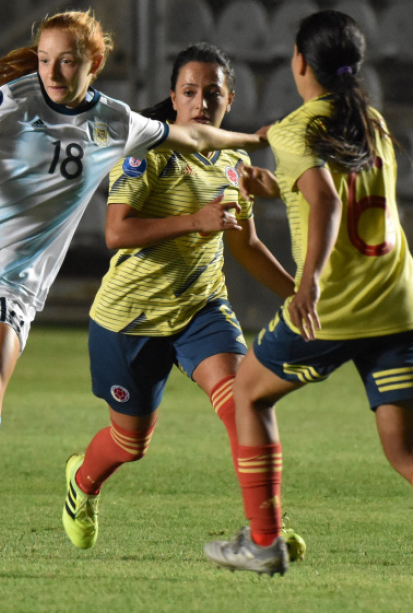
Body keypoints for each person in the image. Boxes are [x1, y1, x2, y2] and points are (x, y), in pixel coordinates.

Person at [0, 12, 267, 562]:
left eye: (66, 61)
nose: (53, 72)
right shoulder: (10, 100)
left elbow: (195, 134)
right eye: (45, 60)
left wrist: (254, 136)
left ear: (94, 63)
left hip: (10, 280)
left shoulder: (116, 122)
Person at [60, 43, 303, 555]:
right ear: (173, 97)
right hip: (129, 318)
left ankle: (266, 534)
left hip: (202, 311)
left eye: (211, 93)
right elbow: (116, 232)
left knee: (244, 403)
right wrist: (195, 220)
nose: (199, 102)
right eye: (189, 92)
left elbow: (248, 247)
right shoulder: (146, 150)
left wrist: (300, 296)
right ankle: (82, 484)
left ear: (229, 100)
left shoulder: (232, 161)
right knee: (131, 444)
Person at [203, 10, 413, 576]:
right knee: (404, 454)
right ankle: (263, 540)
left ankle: (263, 542)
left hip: (335, 305)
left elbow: (327, 202)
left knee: (248, 392)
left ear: (299, 61)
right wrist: (277, 186)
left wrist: (310, 285)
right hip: (396, 303)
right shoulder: (370, 121)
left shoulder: (299, 128)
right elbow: (333, 190)